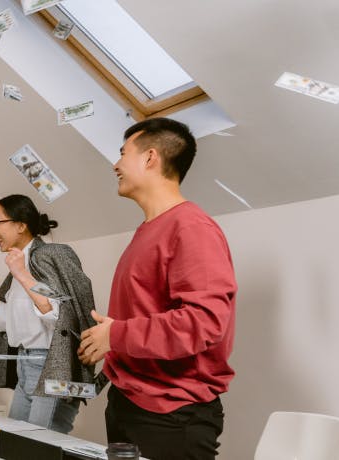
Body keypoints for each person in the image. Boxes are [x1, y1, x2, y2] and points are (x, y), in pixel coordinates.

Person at [78, 118, 237, 459]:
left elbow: (203, 323)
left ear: (150, 158)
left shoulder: (191, 228)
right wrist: (108, 339)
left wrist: (116, 335)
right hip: (129, 402)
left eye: (122, 154)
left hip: (171, 416)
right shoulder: (150, 229)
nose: (115, 164)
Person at [0, 194, 96, 433]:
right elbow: (7, 321)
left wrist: (22, 274)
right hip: (24, 366)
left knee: (39, 447)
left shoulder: (50, 254)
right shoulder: (19, 265)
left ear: (21, 225)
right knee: (16, 441)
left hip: (51, 365)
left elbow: (60, 310)